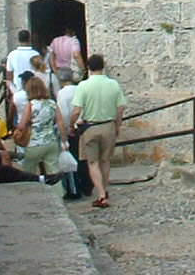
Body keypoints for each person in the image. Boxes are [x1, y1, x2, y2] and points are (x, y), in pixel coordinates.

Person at [70, 54, 127, 209]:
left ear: (88, 67)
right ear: (103, 66)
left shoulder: (83, 86)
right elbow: (121, 107)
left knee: (93, 162)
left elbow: (76, 110)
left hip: (91, 127)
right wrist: (118, 125)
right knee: (105, 160)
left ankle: (101, 194)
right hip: (108, 125)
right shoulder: (113, 84)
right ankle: (105, 189)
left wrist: (71, 124)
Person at [19, 73, 66, 178]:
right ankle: (57, 192)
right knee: (53, 172)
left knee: (28, 171)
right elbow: (60, 123)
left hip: (35, 142)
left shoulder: (31, 105)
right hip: (51, 141)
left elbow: (21, 126)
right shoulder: (52, 103)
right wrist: (64, 141)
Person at [55, 66, 90, 200]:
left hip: (72, 128)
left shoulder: (62, 93)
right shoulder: (79, 89)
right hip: (84, 125)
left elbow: (63, 113)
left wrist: (65, 129)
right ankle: (88, 185)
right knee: (85, 158)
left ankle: (76, 188)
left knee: (74, 158)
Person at [4, 29, 40, 95]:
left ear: (18, 39)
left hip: (18, 87)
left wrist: (11, 88)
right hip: (33, 88)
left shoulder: (12, 54)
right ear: (29, 39)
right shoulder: (35, 54)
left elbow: (9, 73)